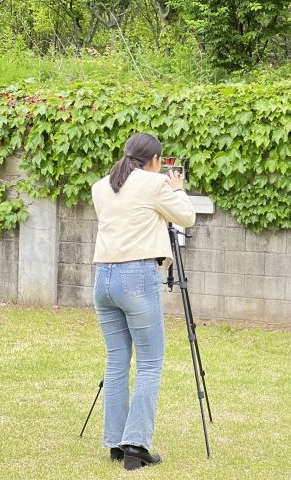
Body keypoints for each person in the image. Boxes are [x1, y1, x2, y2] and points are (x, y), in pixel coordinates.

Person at [91, 132, 196, 469]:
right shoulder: (153, 185)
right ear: (154, 160)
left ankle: (115, 442)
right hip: (137, 276)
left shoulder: (100, 186)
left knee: (116, 360)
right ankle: (136, 444)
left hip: (103, 277)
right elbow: (187, 217)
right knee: (150, 363)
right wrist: (177, 187)